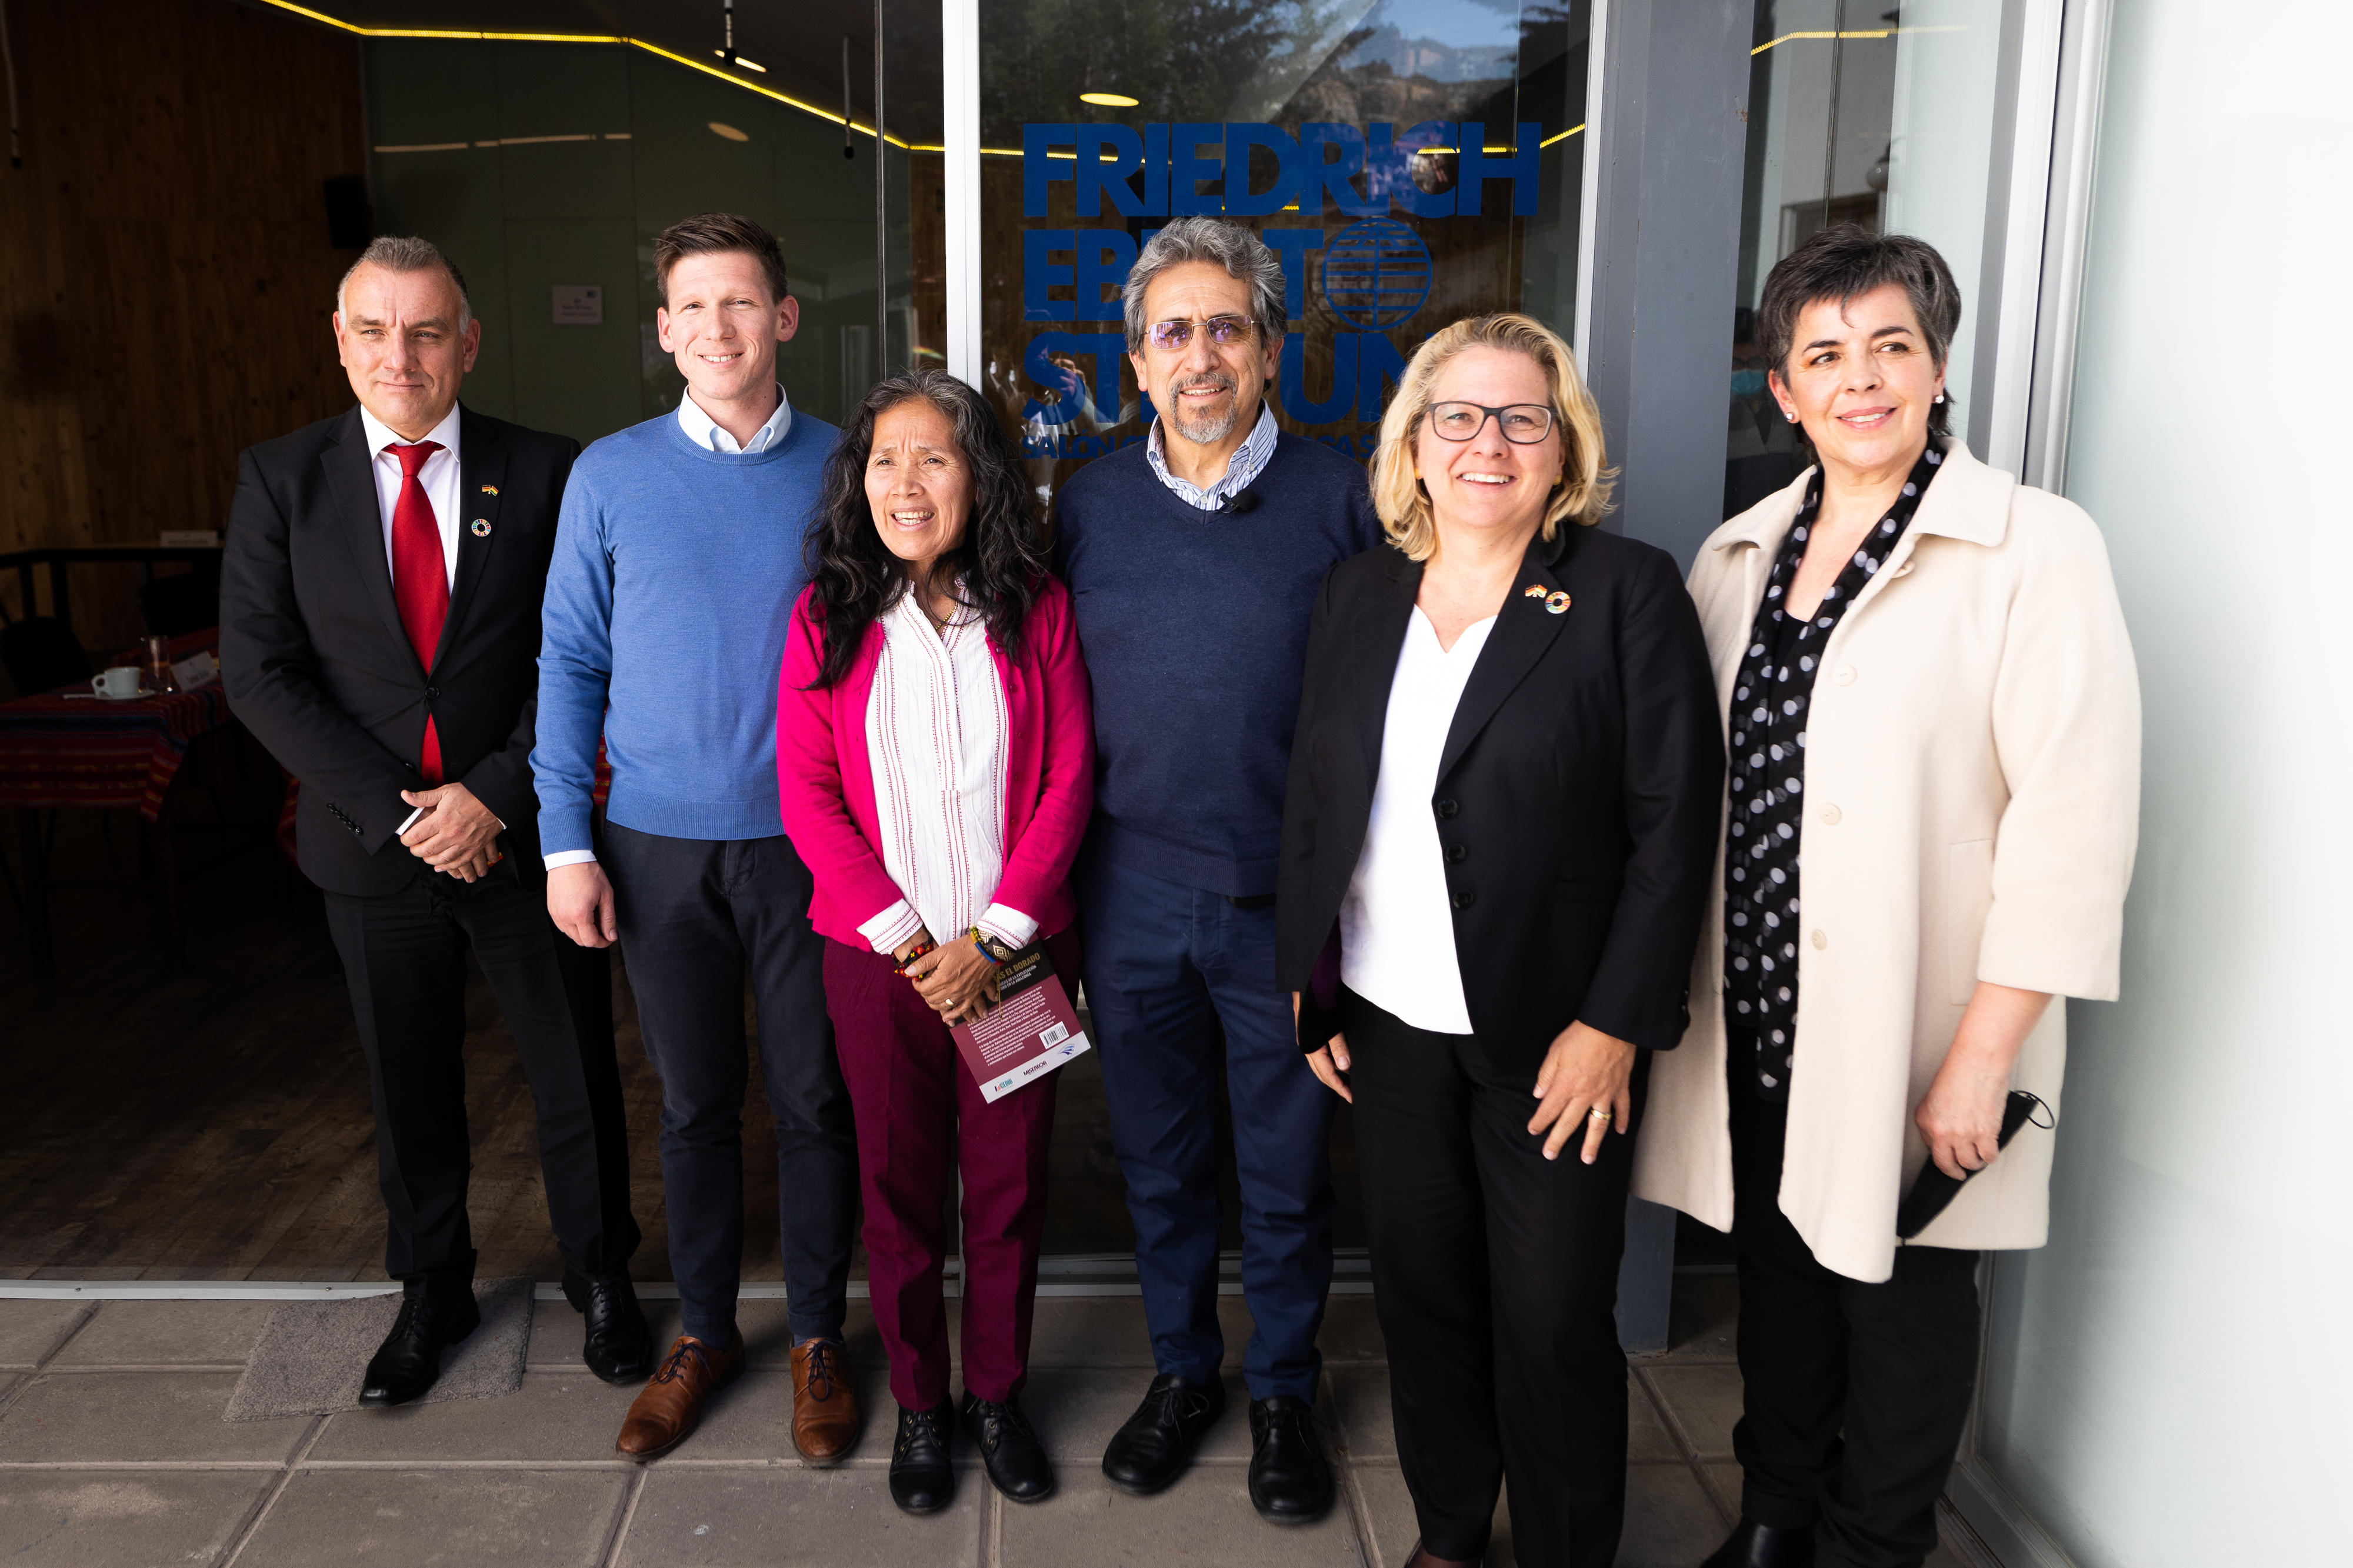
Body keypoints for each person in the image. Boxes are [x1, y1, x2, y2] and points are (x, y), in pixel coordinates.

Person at [1632, 226, 2141, 1568]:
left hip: (1923, 1027)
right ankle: (1772, 1517)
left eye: (1888, 348)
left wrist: (1982, 1057)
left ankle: (1873, 1545)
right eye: (1823, 356)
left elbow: (2073, 822)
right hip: (1753, 1011)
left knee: (1905, 1312)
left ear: (1934, 367)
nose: (1859, 380)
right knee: (1783, 1290)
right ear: (1784, 393)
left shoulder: (2031, 547)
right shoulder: (1735, 553)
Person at [1278, 312, 1723, 1567]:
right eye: (1457, 417)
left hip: (1553, 1035)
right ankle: (1449, 1532)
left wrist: (1617, 1024)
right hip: (1387, 1019)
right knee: (1424, 1306)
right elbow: (1316, 801)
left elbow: (1672, 827)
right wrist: (1311, 989)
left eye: (1521, 417)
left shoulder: (1625, 591)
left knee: (1550, 1316)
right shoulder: (1358, 592)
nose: (1488, 442)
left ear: (1561, 445)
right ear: (1413, 445)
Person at [221, 236, 649, 1407]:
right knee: (404, 1078)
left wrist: (495, 793)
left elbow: (580, 656)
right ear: (340, 337)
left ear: (466, 342)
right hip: (371, 848)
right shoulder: (281, 478)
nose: (398, 355)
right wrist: (400, 813)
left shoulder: (550, 471)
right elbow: (259, 674)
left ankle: (602, 1277)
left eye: (423, 331)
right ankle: (431, 1286)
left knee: (572, 1074)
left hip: (521, 836)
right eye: (374, 330)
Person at [1049, 215, 1380, 1523]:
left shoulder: (1340, 497)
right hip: (1126, 891)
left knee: (1287, 1167)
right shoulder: (1083, 502)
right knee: (1160, 1159)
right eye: (1171, 332)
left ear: (1269, 349)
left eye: (1225, 327)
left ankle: (1285, 1387)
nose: (1200, 355)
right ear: (1134, 360)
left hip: (1282, 900)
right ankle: (1186, 1371)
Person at [534, 213, 862, 1464]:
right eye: (692, 307)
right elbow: (567, 659)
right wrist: (567, 841)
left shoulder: (849, 468)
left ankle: (821, 1334)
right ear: (662, 330)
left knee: (815, 1098)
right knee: (692, 1105)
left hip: (808, 847)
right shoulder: (608, 476)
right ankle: (709, 1329)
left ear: (783, 318)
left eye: (742, 303)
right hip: (651, 847)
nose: (717, 328)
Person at [776, 369, 1094, 1515]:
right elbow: (808, 796)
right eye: (884, 461)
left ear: (980, 477)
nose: (906, 483)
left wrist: (992, 935)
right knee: (897, 1191)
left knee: (1005, 1192)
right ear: (858, 484)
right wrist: (917, 945)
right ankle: (921, 1402)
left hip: (1013, 953)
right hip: (878, 962)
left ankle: (995, 1396)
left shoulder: (1034, 606)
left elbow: (1068, 781)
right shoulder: (828, 615)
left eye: (935, 458)